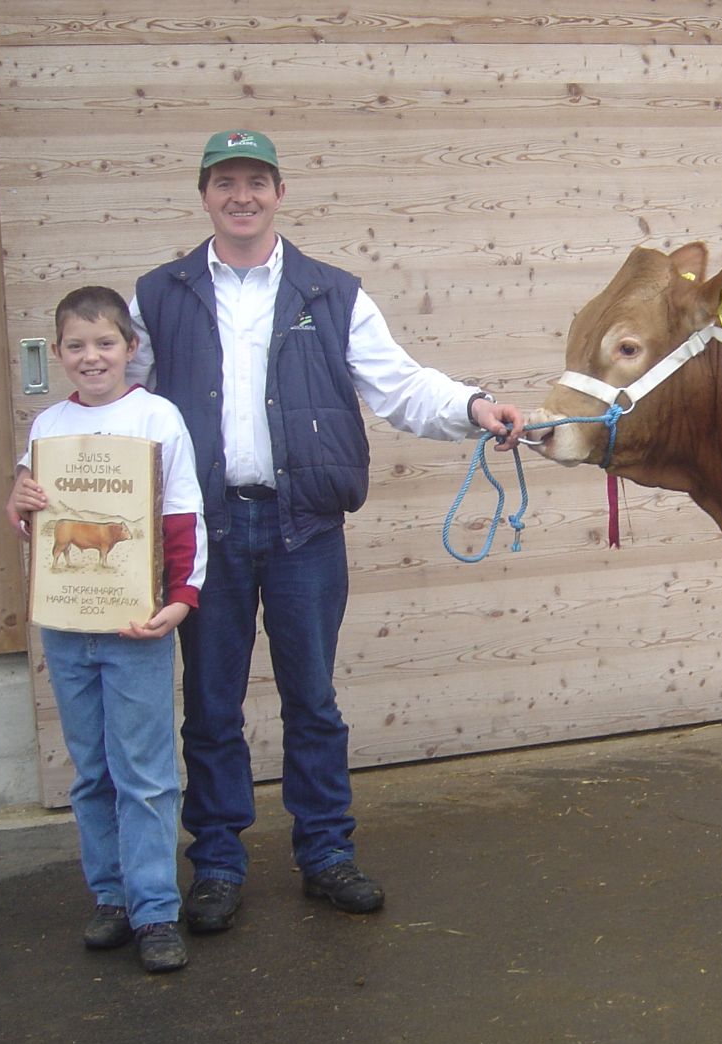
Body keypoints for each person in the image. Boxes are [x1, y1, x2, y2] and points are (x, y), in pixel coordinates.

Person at [126, 128, 525, 933]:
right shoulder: (157, 296)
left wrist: (475, 406)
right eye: (226, 181)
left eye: (256, 181)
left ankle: (326, 851)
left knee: (312, 699)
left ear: (279, 192)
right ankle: (218, 862)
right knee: (209, 706)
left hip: (303, 527)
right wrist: (53, 475)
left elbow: (400, 385)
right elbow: (114, 401)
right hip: (203, 533)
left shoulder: (330, 292)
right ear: (204, 194)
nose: (242, 196)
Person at [6, 286, 208, 974]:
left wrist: (180, 599)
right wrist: (20, 499)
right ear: (59, 354)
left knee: (145, 774)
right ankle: (111, 897)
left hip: (135, 626)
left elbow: (183, 518)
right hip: (67, 626)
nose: (91, 357)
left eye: (105, 343)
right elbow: (33, 514)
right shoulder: (46, 426)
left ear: (130, 348)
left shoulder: (159, 417)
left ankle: (155, 910)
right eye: (76, 345)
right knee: (92, 771)